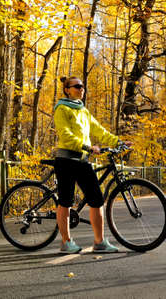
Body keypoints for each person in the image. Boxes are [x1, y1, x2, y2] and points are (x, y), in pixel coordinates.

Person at [53, 76, 131, 254]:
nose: (81, 89)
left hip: (82, 160)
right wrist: (87, 146)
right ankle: (66, 242)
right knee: (65, 201)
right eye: (77, 86)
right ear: (67, 90)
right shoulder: (62, 109)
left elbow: (99, 131)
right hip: (66, 160)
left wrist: (119, 142)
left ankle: (100, 242)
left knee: (96, 199)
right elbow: (65, 135)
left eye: (83, 87)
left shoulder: (83, 111)